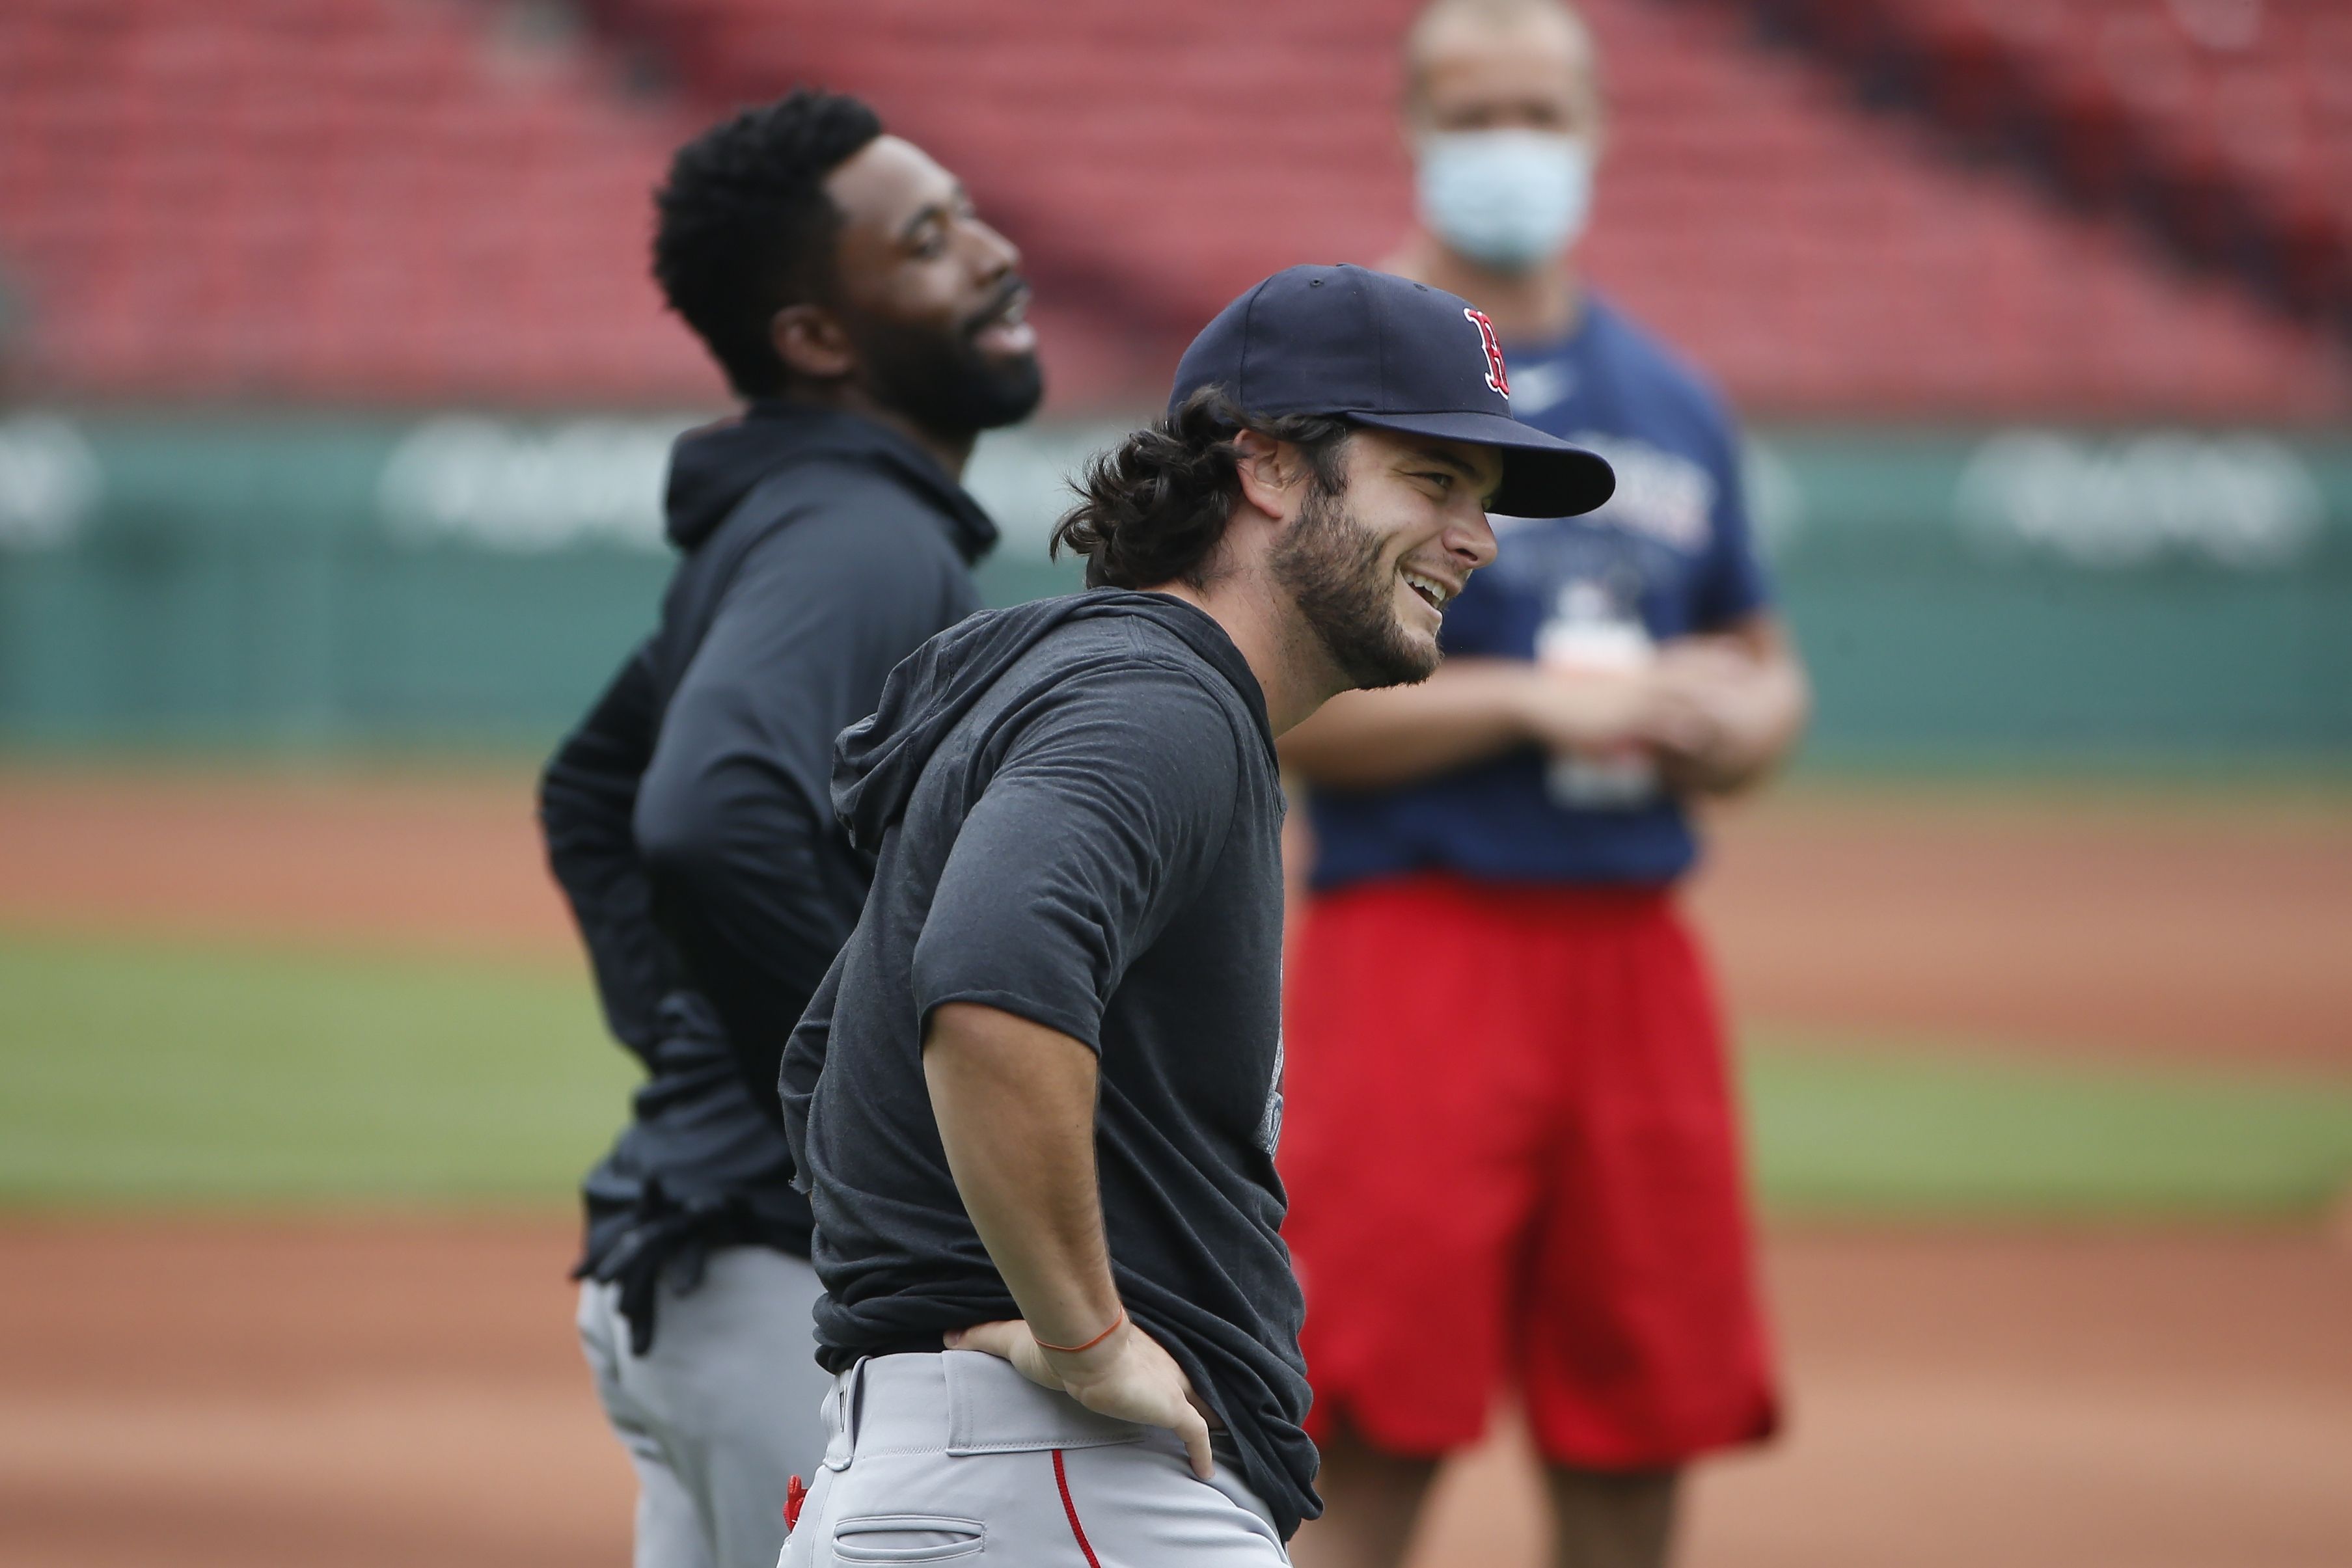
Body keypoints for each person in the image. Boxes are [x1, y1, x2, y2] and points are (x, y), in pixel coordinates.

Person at [774, 264, 1613, 1564]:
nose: (1478, 537)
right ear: (1270, 469)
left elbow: (827, 1066)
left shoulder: (1101, 682)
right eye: (1434, 481)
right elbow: (991, 982)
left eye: (1484, 501)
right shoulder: (1156, 700)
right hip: (1062, 1483)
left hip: (972, 1472)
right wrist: (1084, 1335)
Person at [1277, 5, 1811, 1567]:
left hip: (1634, 953)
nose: (1510, 141)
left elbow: (1765, 661)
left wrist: (1738, 716)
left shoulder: (1670, 397)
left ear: (1596, 129)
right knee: (1364, 1424)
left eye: (1538, 109)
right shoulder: (1345, 376)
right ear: (1412, 124)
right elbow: (1277, 703)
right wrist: (1543, 703)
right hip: (1417, 937)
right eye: (1474, 108)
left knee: (1639, 1422)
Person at [536, 88, 1042, 1568]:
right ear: (816, 337)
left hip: (710, 1262)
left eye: (971, 212)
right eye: (932, 239)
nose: (996, 254)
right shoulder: (856, 532)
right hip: (783, 1286)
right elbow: (702, 810)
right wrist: (869, 1104)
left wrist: (696, 1042)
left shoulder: (811, 513)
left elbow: (590, 785)